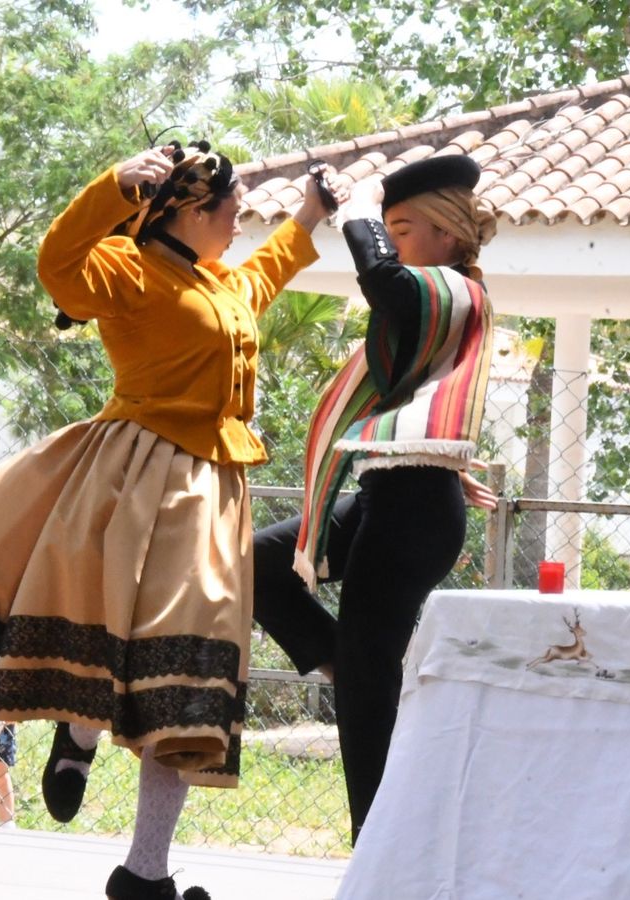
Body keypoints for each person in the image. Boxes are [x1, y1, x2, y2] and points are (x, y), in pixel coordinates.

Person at [0, 140, 346, 900]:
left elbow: (261, 277)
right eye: (231, 211)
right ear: (193, 211)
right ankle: (79, 734)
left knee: (188, 681)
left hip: (211, 494)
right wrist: (114, 189)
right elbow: (56, 266)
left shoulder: (217, 280)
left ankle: (145, 872)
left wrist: (310, 217)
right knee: (111, 639)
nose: (239, 223)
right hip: (132, 483)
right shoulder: (130, 270)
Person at [249, 153, 498, 842]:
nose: (393, 242)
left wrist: (358, 211)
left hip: (412, 510)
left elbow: (383, 280)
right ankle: (364, 673)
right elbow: (417, 395)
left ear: (449, 234)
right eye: (388, 227)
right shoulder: (437, 297)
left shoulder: (454, 288)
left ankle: (379, 853)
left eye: (405, 228)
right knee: (257, 566)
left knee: (365, 687)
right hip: (392, 492)